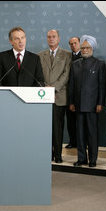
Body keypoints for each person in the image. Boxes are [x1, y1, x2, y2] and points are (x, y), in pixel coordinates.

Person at [68, 35, 105, 167]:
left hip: (93, 106)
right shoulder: (75, 64)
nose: (84, 50)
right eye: (83, 48)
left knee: (92, 134)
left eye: (87, 47)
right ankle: (81, 158)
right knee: (80, 134)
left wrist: (100, 103)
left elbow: (102, 86)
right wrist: (71, 102)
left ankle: (93, 160)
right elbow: (71, 85)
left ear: (92, 48)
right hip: (78, 105)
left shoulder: (99, 64)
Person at [38, 29, 71, 163]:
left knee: (58, 128)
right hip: (43, 97)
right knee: (44, 128)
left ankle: (58, 155)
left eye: (54, 36)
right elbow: (38, 74)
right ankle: (47, 154)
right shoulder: (40, 55)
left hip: (59, 97)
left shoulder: (67, 55)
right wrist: (45, 87)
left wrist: (54, 87)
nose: (51, 39)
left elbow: (66, 74)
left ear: (58, 38)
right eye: (49, 37)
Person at [65, 36, 82, 149]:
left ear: (79, 43)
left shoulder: (85, 56)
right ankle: (72, 141)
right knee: (70, 121)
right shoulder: (67, 57)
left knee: (80, 122)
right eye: (71, 44)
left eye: (75, 43)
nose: (73, 45)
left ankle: (81, 142)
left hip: (81, 94)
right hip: (69, 93)